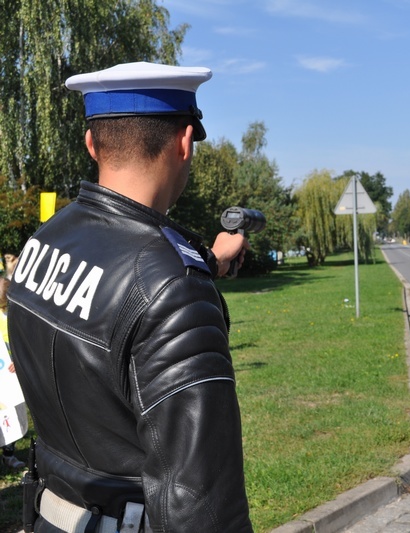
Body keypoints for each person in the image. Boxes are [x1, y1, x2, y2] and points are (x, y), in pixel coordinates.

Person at [7, 62, 253, 532]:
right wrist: (189, 278)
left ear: (91, 143)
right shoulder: (174, 289)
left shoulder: (44, 240)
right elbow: (200, 507)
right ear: (184, 143)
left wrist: (208, 262)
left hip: (49, 515)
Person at [0, 278, 26, 469]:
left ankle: (8, 453)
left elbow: (26, 340)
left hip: (11, 375)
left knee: (12, 412)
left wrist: (19, 359)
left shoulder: (17, 314)